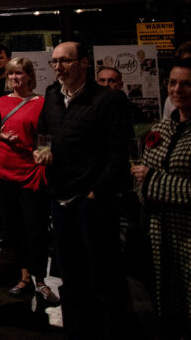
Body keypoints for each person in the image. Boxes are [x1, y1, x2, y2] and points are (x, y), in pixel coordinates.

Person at [35, 41, 134, 338]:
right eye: (54, 62)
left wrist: (96, 193)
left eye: (65, 61)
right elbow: (44, 134)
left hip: (91, 200)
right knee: (70, 275)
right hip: (60, 196)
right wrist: (43, 151)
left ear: (84, 63)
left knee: (103, 276)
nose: (58, 67)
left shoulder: (107, 100)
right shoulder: (52, 96)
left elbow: (118, 153)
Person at [131, 60, 191, 339]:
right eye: (172, 83)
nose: (178, 89)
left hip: (186, 233)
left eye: (186, 83)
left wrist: (153, 180)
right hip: (159, 233)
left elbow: (148, 176)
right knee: (165, 304)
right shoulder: (163, 128)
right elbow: (140, 174)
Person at [0, 57, 55, 304]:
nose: (15, 79)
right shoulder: (0, 102)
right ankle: (24, 276)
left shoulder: (42, 103)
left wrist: (43, 151)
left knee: (35, 228)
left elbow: (48, 135)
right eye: (11, 75)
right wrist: (0, 135)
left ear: (29, 75)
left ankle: (40, 279)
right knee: (14, 229)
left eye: (19, 74)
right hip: (3, 172)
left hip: (30, 173)